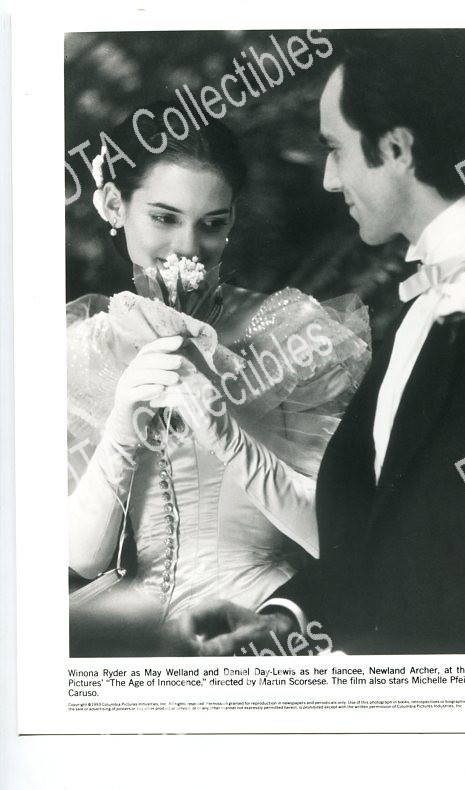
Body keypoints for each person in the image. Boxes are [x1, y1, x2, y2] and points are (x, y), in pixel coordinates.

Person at [178, 30, 465, 656]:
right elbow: (392, 531)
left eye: (335, 150)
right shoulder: (426, 296)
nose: (326, 179)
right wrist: (290, 618)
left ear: (396, 148)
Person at [67, 101, 370, 650]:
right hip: (136, 642)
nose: (189, 248)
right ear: (114, 204)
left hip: (265, 629)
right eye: (164, 218)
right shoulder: (83, 348)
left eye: (212, 224)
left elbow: (345, 538)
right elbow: (81, 561)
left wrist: (230, 437)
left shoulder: (292, 334)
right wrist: (120, 429)